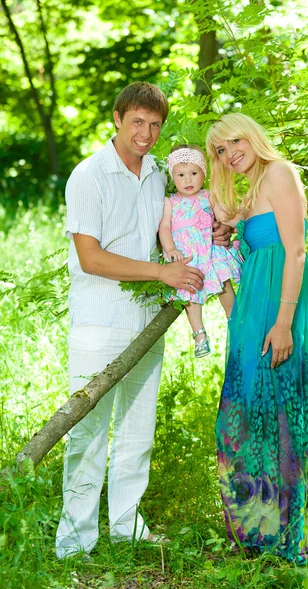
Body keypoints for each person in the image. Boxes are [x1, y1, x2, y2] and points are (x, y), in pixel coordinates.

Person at [56, 82, 231, 558]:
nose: (146, 133)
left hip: (149, 316)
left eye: (155, 124)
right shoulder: (88, 175)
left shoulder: (160, 174)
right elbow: (90, 258)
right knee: (88, 431)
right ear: (116, 118)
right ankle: (75, 542)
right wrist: (163, 272)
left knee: (137, 429)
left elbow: (180, 225)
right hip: (98, 318)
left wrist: (212, 233)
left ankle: (126, 526)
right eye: (137, 121)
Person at [206, 113, 308, 563]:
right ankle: (262, 526)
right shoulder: (250, 190)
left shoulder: (280, 173)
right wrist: (230, 234)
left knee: (284, 413)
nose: (230, 153)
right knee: (249, 412)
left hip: (280, 313)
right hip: (252, 314)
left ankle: (298, 527)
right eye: (220, 151)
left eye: (234, 141)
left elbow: (295, 251)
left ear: (252, 135)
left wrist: (285, 322)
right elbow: (261, 247)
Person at [158, 144, 242, 358]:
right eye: (181, 175)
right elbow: (165, 227)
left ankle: (235, 321)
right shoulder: (170, 202)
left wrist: (240, 222)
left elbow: (224, 216)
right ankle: (199, 335)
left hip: (210, 251)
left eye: (194, 173)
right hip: (189, 256)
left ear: (203, 174)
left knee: (224, 284)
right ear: (172, 177)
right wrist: (170, 248)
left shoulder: (208, 196)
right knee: (190, 294)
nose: (188, 180)